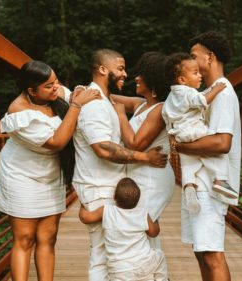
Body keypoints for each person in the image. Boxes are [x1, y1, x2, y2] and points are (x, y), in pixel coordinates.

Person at [0, 60, 100, 281]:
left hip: (51, 174)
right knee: (24, 238)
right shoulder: (19, 111)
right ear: (31, 90)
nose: (56, 88)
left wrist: (79, 93)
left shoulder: (54, 92)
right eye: (49, 86)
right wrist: (76, 105)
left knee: (48, 237)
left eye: (56, 82)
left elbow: (74, 96)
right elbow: (57, 141)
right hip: (21, 176)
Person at [72, 49, 168, 281]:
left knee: (110, 252)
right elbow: (103, 148)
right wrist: (144, 157)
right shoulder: (94, 104)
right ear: (103, 69)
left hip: (108, 184)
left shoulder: (103, 99)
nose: (126, 74)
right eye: (121, 68)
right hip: (97, 186)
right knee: (102, 253)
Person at [170, 31, 241, 281]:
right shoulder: (205, 92)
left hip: (211, 184)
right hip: (200, 183)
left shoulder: (222, 93)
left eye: (194, 56)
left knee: (212, 253)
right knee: (201, 252)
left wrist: (180, 146)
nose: (189, 60)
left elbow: (222, 142)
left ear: (210, 57)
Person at [111, 52, 175, 248]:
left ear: (154, 81)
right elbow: (109, 97)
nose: (136, 78)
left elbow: (135, 143)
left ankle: (153, 274)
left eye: (142, 75)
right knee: (139, 228)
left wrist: (121, 116)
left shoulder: (160, 110)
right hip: (140, 172)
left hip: (152, 178)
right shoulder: (141, 105)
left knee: (141, 228)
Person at [162, 52, 237, 214]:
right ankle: (219, 178)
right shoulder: (188, 92)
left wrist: (172, 136)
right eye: (195, 73)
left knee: (189, 160)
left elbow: (166, 116)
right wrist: (216, 89)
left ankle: (189, 185)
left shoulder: (170, 97)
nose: (199, 76)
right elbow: (201, 101)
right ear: (182, 80)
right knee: (211, 150)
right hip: (195, 130)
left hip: (180, 133)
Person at [79, 177, 168, 281]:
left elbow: (84, 217)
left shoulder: (107, 211)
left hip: (119, 270)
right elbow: (154, 232)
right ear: (138, 200)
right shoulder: (142, 213)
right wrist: (155, 220)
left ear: (114, 197)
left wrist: (82, 204)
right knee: (159, 256)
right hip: (143, 263)